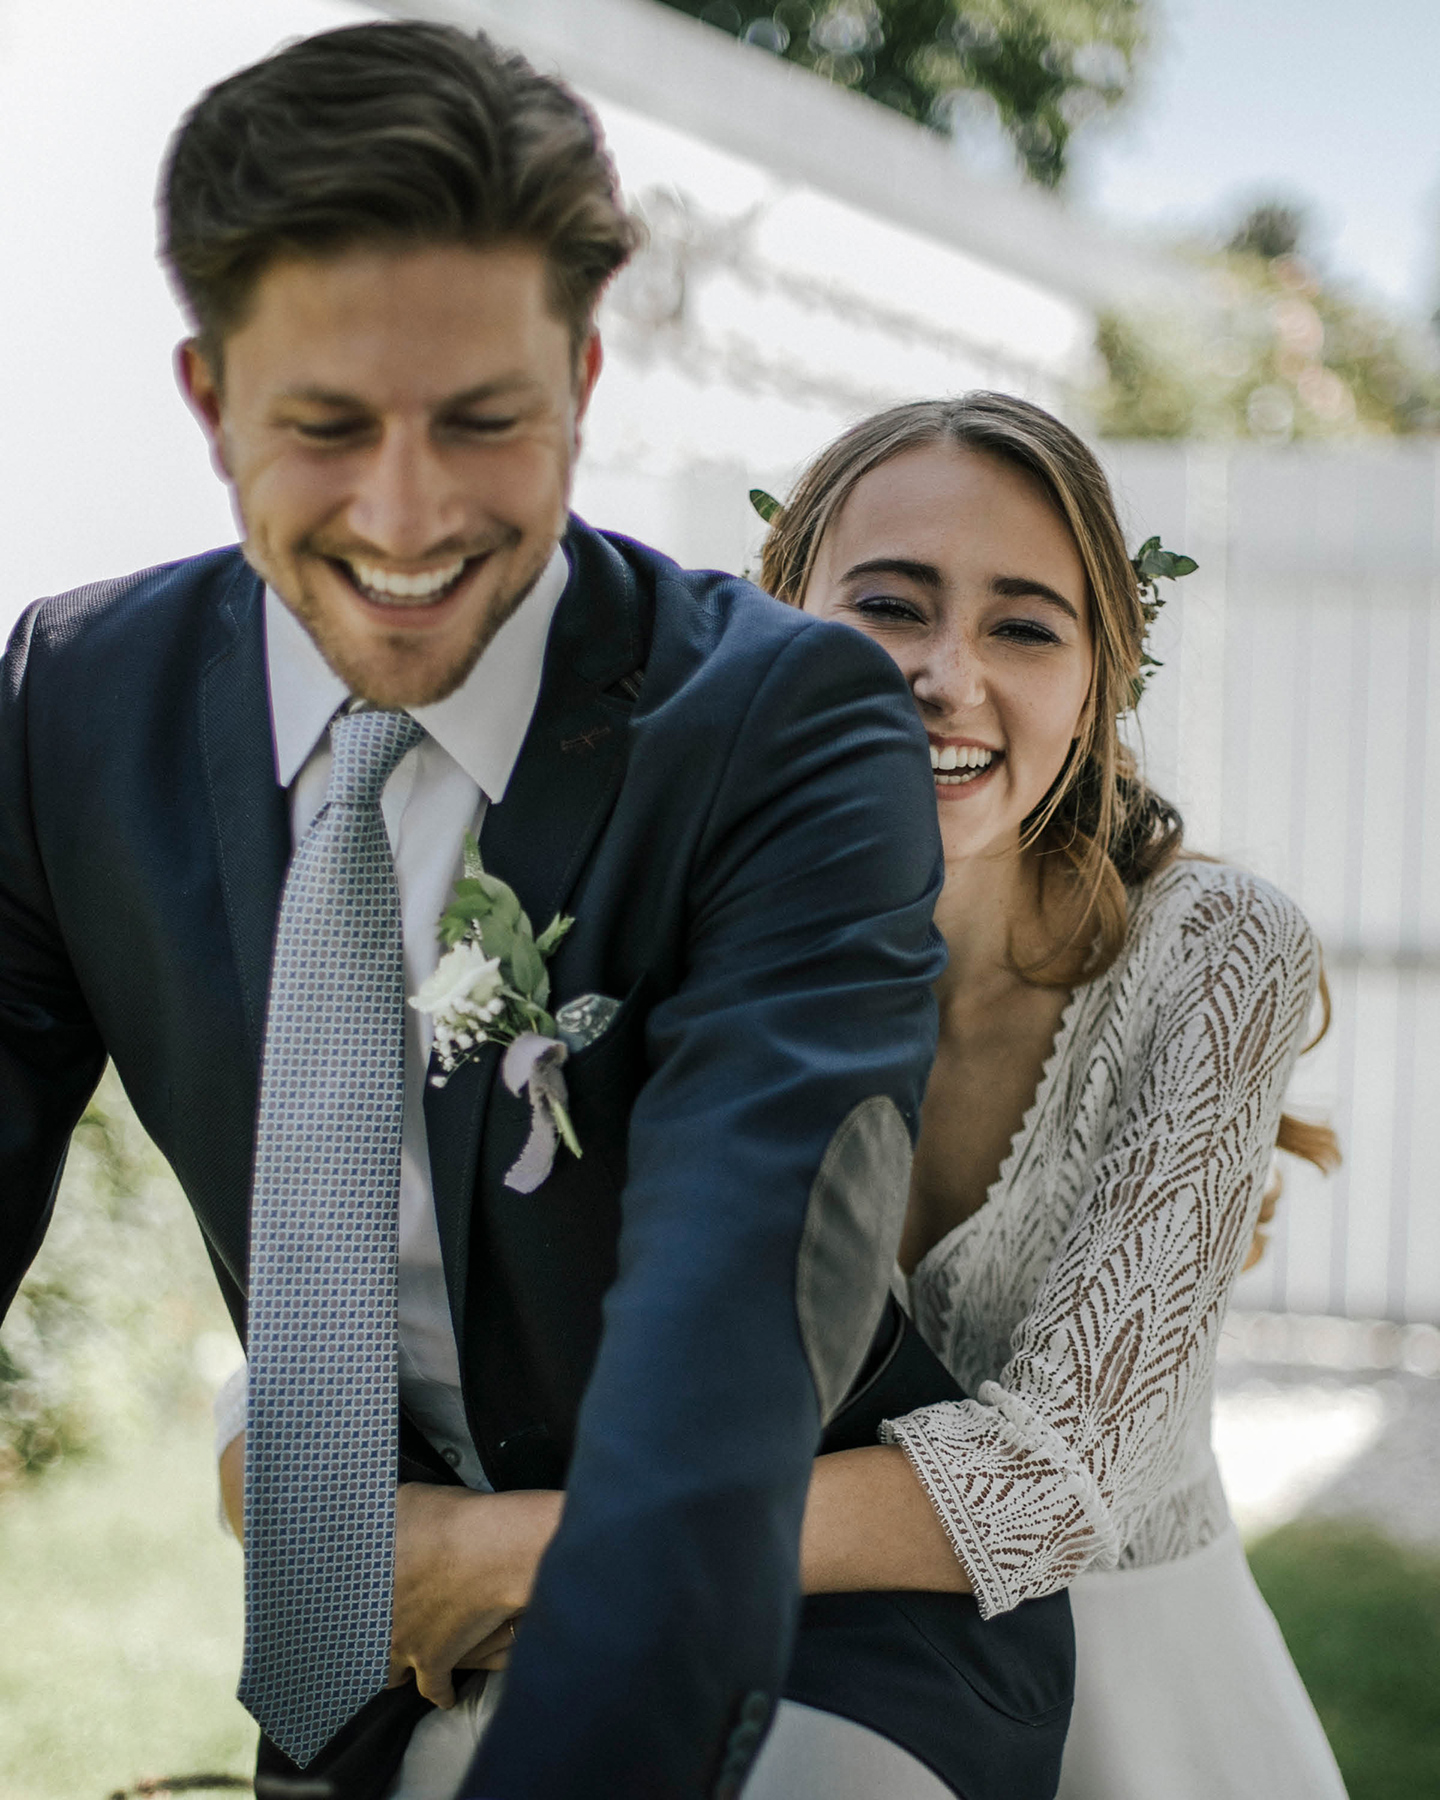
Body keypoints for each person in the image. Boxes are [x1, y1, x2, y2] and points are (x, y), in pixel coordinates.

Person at [0, 26, 1078, 1800]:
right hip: (369, 1641)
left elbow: (730, 1352)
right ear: (208, 399)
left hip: (802, 1636)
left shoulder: (787, 729)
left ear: (582, 378)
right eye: (325, 426)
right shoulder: (72, 703)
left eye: (485, 421)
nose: (407, 513)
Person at [759, 393, 1349, 1800]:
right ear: (774, 631)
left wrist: (546, 1553)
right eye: (889, 605)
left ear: (1102, 681)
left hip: (1134, 1711)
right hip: (805, 1702)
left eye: (1025, 624)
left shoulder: (1214, 955)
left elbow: (1050, 1486)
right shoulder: (697, 955)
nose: (946, 674)